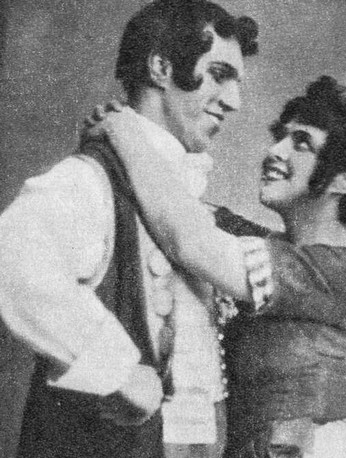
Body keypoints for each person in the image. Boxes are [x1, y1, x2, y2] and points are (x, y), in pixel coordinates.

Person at [86, 76, 346, 457]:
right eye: (280, 137)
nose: (275, 151)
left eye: (301, 143)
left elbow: (190, 241)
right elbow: (182, 210)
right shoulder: (275, 248)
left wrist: (122, 131)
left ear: (342, 182)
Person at [0, 1, 258, 457]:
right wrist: (115, 370)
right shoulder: (91, 178)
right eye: (219, 74)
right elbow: (12, 255)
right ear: (160, 68)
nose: (234, 101)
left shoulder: (191, 202)